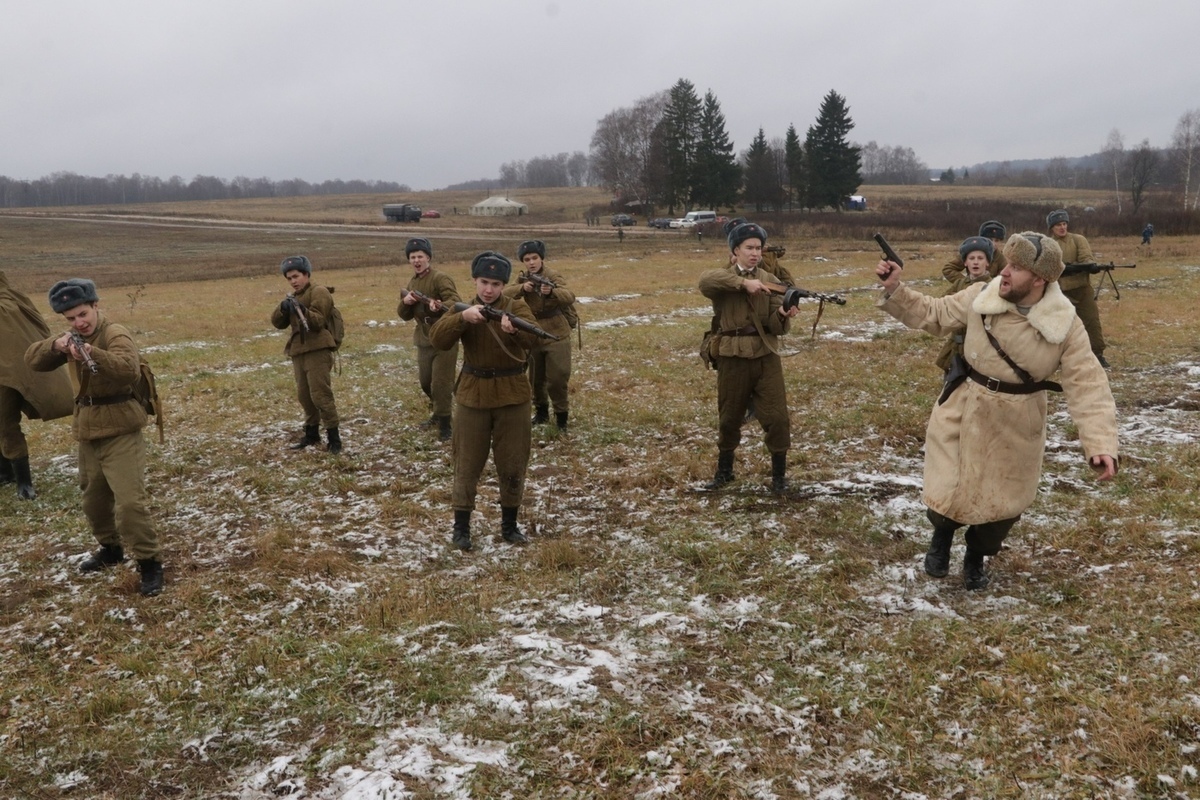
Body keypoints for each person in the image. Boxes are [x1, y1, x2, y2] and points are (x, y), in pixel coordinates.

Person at [876, 232, 1118, 590]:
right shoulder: (981, 295)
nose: (1005, 272)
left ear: (1040, 279)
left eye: (1017, 268)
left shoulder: (1065, 324)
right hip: (965, 404)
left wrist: (1100, 443)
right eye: (1008, 263)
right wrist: (896, 288)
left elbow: (1088, 385)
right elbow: (934, 313)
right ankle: (941, 537)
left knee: (1003, 505)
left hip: (1018, 421)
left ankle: (976, 556)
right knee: (947, 488)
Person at [25, 279, 165, 596]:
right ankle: (111, 548)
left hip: (121, 427)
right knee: (94, 502)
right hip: (88, 428)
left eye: (83, 314)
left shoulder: (115, 333)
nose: (79, 322)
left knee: (129, 504)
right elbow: (32, 361)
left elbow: (128, 369)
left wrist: (91, 352)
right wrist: (57, 346)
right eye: (71, 319)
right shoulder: (71, 337)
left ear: (96, 306)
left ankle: (149, 563)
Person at [429, 252, 539, 552]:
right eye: (483, 282)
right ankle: (461, 528)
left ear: (503, 285)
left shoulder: (517, 307)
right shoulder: (462, 308)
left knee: (513, 461)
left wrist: (514, 330)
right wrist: (462, 319)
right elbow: (438, 339)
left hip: (512, 394)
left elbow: (535, 340)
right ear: (475, 281)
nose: (488, 290)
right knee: (466, 462)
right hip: (473, 395)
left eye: (495, 284)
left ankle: (509, 525)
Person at [698, 222, 801, 494]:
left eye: (759, 248)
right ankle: (725, 472)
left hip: (765, 356)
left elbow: (776, 327)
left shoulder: (772, 280)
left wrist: (782, 315)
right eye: (749, 248)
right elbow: (705, 281)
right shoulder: (723, 278)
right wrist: (745, 283)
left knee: (777, 418)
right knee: (729, 417)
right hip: (732, 356)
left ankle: (779, 477)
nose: (755, 253)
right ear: (736, 250)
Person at [1, 271, 74, 499]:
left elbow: (30, 333)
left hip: (9, 374)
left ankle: (24, 482)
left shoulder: (11, 302)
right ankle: (4, 473)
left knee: (5, 423)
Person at [271, 255, 341, 453]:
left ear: (307, 274)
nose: (293, 281)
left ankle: (334, 438)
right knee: (305, 396)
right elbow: (277, 323)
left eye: (296, 276)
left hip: (318, 350)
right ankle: (311, 434)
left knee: (321, 395)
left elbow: (318, 322)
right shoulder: (293, 297)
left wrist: (302, 309)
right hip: (299, 351)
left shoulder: (319, 292)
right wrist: (283, 308)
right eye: (289, 278)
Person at [503, 240, 576, 430]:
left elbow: (569, 295)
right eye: (527, 259)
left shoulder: (552, 275)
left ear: (541, 258)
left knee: (557, 379)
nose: (531, 262)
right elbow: (504, 294)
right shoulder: (523, 278)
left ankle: (561, 417)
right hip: (533, 332)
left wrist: (552, 291)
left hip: (556, 332)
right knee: (535, 379)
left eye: (534, 258)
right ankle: (541, 412)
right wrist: (522, 288)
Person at [397, 238, 460, 440]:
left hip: (444, 336)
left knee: (441, 383)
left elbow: (457, 303)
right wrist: (405, 302)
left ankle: (445, 424)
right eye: (413, 257)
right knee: (426, 382)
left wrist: (439, 305)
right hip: (424, 338)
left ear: (428, 258)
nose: (417, 260)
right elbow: (404, 315)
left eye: (420, 256)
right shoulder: (413, 282)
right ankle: (438, 411)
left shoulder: (440, 278)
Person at [1047, 209, 1108, 367]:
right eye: (1058, 225)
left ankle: (1097, 353)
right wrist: (1062, 269)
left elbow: (1086, 257)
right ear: (1051, 228)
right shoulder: (1048, 244)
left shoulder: (1078, 239)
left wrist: (1089, 266)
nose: (1062, 227)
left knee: (1091, 320)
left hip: (1082, 289)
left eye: (1064, 224)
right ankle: (1058, 357)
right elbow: (1047, 267)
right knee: (1059, 325)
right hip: (1059, 291)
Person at [934, 236, 995, 373]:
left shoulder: (993, 287)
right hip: (956, 348)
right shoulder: (960, 284)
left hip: (980, 350)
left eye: (980, 258)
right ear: (965, 263)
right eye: (971, 258)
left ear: (988, 263)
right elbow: (942, 304)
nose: (976, 262)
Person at [942, 220, 1007, 283]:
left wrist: (990, 286)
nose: (993, 243)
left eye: (997, 240)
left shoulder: (1001, 259)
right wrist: (964, 282)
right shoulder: (971, 252)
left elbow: (1004, 278)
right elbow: (948, 269)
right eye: (990, 239)